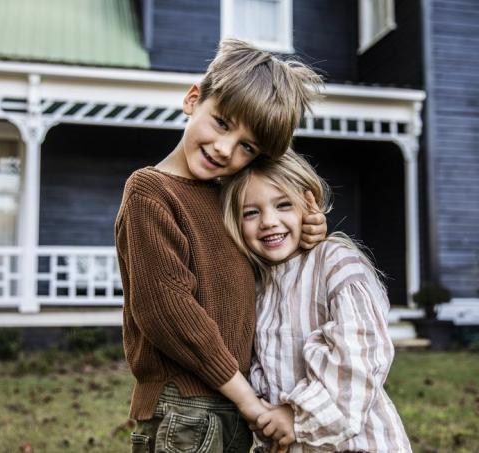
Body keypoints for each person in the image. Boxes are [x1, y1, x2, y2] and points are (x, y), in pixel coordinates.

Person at [114, 39, 324, 452]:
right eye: (222, 123)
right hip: (185, 409)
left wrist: (305, 234)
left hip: (226, 406)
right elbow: (167, 312)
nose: (225, 149)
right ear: (194, 99)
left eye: (248, 147)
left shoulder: (228, 198)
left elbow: (261, 268)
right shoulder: (151, 192)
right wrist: (248, 400)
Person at [221, 149, 413, 452]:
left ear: (308, 206)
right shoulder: (258, 287)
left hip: (354, 443)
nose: (269, 221)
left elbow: (359, 360)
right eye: (250, 212)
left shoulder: (335, 262)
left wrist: (296, 415)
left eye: (284, 205)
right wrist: (265, 412)